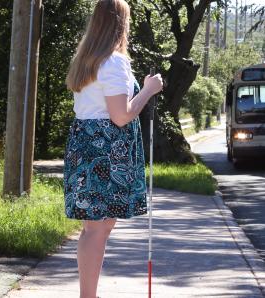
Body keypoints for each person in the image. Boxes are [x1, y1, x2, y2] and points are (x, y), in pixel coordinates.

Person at [63, 1, 163, 297]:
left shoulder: (86, 59)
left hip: (86, 144)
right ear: (121, 23)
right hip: (105, 148)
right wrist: (148, 89)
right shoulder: (114, 61)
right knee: (97, 228)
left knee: (99, 225)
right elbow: (121, 115)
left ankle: (88, 294)